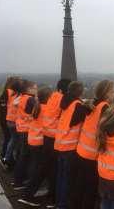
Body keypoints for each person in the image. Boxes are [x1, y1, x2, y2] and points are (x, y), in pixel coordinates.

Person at [72, 80, 114, 209]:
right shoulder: (105, 107)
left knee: (80, 186)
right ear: (107, 93)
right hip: (92, 155)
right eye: (113, 91)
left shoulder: (91, 104)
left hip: (81, 150)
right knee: (90, 190)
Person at [18, 87, 53, 207]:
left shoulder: (37, 107)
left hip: (32, 139)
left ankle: (30, 191)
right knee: (39, 169)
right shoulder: (47, 109)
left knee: (38, 167)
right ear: (49, 98)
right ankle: (29, 194)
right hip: (40, 142)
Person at [54, 81, 85, 209]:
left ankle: (58, 202)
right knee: (67, 178)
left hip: (60, 144)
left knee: (60, 176)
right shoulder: (77, 105)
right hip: (70, 147)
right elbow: (83, 117)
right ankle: (62, 205)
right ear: (80, 92)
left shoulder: (65, 102)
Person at [42, 79, 71, 208]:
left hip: (46, 135)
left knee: (52, 169)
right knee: (57, 171)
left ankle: (52, 196)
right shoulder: (62, 99)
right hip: (56, 138)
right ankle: (55, 199)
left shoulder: (53, 96)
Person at [13, 80, 38, 190]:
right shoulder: (31, 99)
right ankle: (23, 182)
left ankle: (18, 180)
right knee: (26, 157)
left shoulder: (22, 98)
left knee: (22, 156)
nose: (36, 89)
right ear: (28, 89)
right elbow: (38, 112)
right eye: (34, 87)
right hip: (27, 130)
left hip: (21, 129)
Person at [0, 77, 21, 170]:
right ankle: (6, 157)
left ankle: (6, 157)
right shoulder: (9, 92)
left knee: (8, 139)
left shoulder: (9, 92)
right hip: (8, 120)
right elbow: (3, 107)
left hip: (7, 119)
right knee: (10, 139)